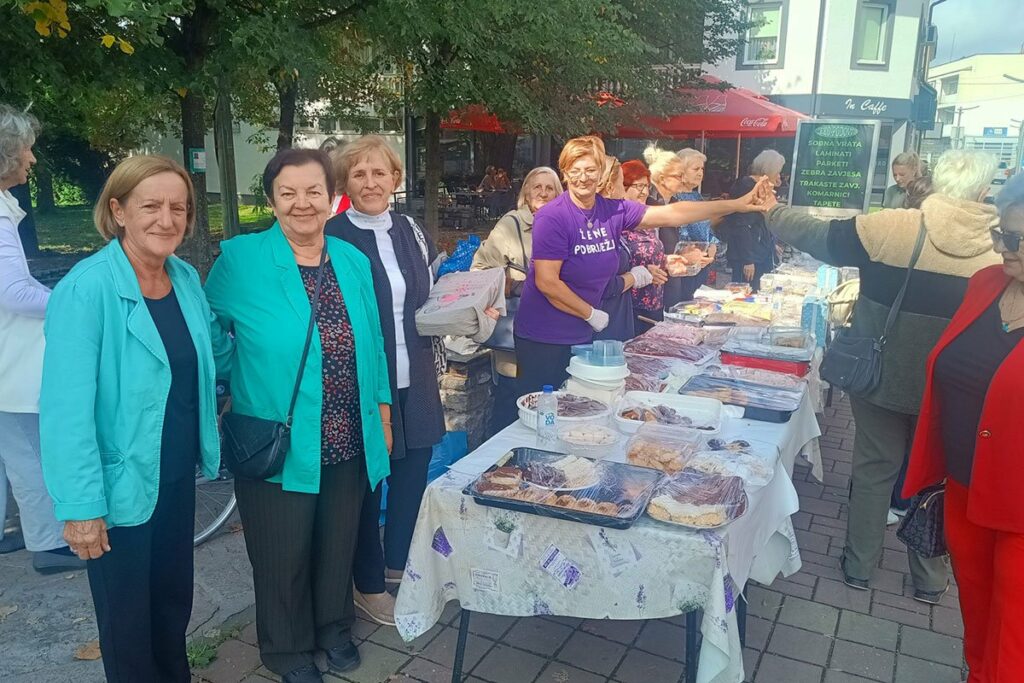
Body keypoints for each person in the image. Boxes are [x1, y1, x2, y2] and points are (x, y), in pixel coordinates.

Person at [760, 149, 1002, 604]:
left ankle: (858, 565)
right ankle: (929, 578)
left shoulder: (892, 225)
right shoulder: (1000, 249)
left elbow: (816, 234)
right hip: (958, 387)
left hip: (881, 373)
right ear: (985, 191)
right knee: (937, 478)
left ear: (934, 182)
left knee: (873, 468)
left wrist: (773, 209)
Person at [206, 148, 393, 683]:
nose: (302, 203)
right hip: (278, 438)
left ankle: (334, 629)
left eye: (313, 191)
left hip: (346, 433)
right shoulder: (241, 259)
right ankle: (286, 651)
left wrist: (381, 412)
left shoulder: (351, 260)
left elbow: (374, 343)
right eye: (288, 193)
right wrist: (233, 365)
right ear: (271, 200)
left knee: (338, 544)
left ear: (331, 197)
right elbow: (206, 324)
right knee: (282, 552)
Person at [39, 155, 221, 682]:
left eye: (178, 208)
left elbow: (213, 352)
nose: (167, 219)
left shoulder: (184, 277)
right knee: (126, 621)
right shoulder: (87, 289)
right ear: (118, 210)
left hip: (175, 476)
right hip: (117, 487)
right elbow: (65, 411)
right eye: (151, 206)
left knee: (171, 601)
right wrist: (80, 508)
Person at [514, 135, 769, 391]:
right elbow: (547, 282)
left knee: (578, 404)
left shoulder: (611, 209)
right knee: (543, 409)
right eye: (575, 171)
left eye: (590, 170)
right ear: (565, 174)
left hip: (583, 335)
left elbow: (672, 214)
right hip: (544, 336)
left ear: (601, 173)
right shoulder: (553, 216)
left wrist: (736, 205)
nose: (583, 178)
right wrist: (590, 314)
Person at [902, 173, 1024, 681]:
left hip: (1019, 507)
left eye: (1016, 241)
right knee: (977, 630)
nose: (1003, 249)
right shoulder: (986, 283)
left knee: (1013, 649)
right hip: (965, 490)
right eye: (1001, 235)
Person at [324, 135, 446, 628]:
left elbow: (433, 296)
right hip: (359, 380)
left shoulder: (412, 230)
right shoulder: (332, 235)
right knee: (366, 483)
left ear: (396, 179)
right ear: (345, 182)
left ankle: (399, 565)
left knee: (413, 473)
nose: (371, 183)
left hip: (415, 372)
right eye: (359, 174)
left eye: (380, 173)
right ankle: (367, 582)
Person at [0, 104, 82, 570]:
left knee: (13, 449)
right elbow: (13, 292)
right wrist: (71, 302)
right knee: (29, 451)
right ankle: (48, 545)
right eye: (27, 150)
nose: (32, 159)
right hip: (12, 361)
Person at [471, 166, 562, 432]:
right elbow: (480, 272)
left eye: (550, 188)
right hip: (517, 334)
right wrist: (519, 286)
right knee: (514, 403)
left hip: (555, 331)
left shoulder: (565, 225)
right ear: (526, 193)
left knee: (549, 399)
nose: (543, 193)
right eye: (538, 187)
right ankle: (503, 463)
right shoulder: (512, 224)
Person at [720, 150, 785, 292]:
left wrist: (772, 244)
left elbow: (763, 221)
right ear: (770, 169)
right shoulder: (747, 187)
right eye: (778, 171)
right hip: (748, 256)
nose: (779, 175)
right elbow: (741, 226)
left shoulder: (762, 187)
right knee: (746, 294)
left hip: (760, 253)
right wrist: (748, 260)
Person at [621, 160, 667, 333]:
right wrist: (644, 271)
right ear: (623, 186)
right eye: (638, 186)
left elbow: (650, 255)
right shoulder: (617, 219)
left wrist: (669, 261)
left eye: (646, 186)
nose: (644, 191)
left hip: (654, 302)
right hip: (631, 306)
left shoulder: (646, 219)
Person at [671, 148, 719, 301]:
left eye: (702, 169)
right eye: (695, 169)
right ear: (681, 171)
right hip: (684, 267)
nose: (700, 173)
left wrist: (713, 244)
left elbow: (706, 227)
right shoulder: (674, 198)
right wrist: (698, 251)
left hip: (702, 265)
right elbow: (680, 233)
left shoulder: (696, 196)